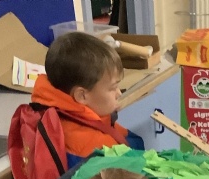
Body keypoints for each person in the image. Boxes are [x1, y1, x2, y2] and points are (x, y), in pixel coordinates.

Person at [31, 31, 144, 168]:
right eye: (113, 88)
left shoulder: (55, 110)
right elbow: (135, 154)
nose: (119, 93)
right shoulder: (93, 147)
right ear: (82, 96)